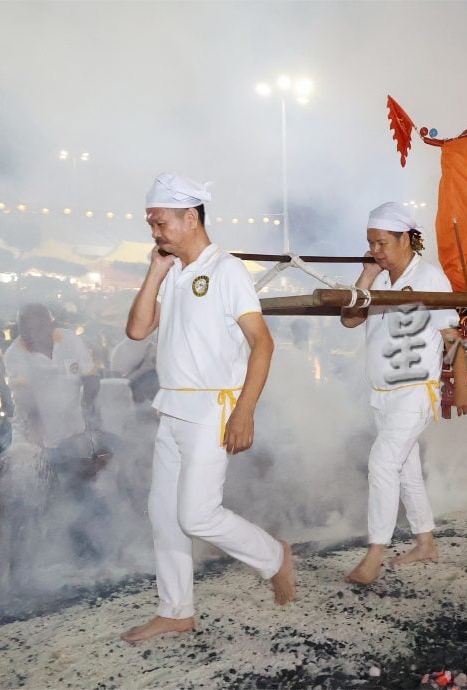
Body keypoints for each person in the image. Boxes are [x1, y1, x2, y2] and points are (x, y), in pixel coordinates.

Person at [121, 173, 294, 644]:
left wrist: (244, 411)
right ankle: (176, 610)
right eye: (151, 224)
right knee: (164, 514)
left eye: (160, 223)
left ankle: (274, 556)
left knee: (196, 515)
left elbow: (263, 344)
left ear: (190, 217)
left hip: (213, 410)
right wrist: (155, 272)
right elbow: (137, 331)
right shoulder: (173, 272)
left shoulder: (227, 270)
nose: (154, 233)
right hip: (172, 409)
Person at [340, 202, 467, 584]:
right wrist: (366, 276)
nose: (376, 250)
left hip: (415, 391)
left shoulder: (430, 277)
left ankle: (374, 556)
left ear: (405, 239)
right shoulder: (378, 278)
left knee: (383, 463)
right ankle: (425, 542)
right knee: (405, 471)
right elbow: (349, 320)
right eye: (371, 244)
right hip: (381, 391)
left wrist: (461, 385)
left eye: (382, 243)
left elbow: (452, 336)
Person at [2, 303, 108, 562]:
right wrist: (38, 438)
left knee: (81, 492)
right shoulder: (15, 353)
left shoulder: (69, 339)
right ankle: (22, 568)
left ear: (51, 324)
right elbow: (25, 399)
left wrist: (89, 407)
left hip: (71, 430)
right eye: (27, 327)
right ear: (21, 328)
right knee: (29, 500)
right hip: (31, 436)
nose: (33, 332)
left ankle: (89, 556)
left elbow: (90, 378)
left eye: (40, 325)